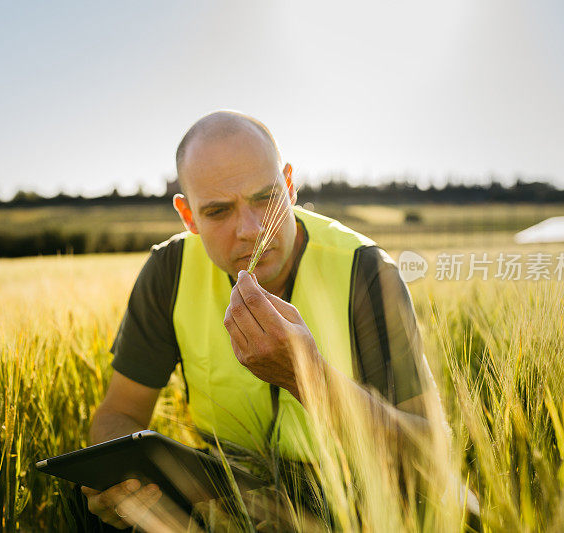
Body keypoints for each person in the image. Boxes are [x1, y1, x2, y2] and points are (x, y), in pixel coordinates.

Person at [79, 110, 443, 530]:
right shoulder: (169, 271)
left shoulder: (365, 271)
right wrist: (119, 479)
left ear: (289, 185)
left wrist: (308, 378)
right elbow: (118, 412)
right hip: (228, 495)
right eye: (218, 212)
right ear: (188, 216)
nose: (251, 230)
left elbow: (429, 452)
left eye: (266, 198)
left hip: (354, 497)